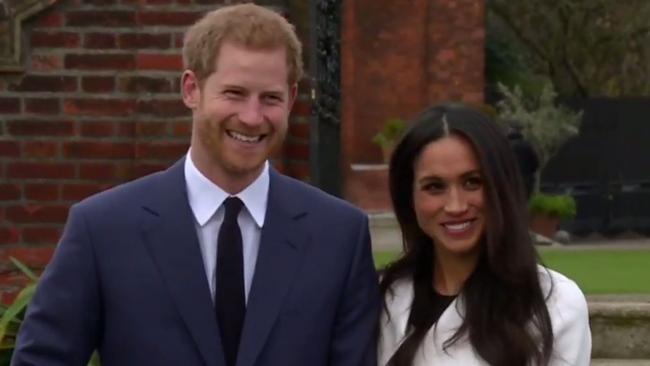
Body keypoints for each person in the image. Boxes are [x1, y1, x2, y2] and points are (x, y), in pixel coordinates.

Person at [12, 4, 379, 366]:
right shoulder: (103, 229)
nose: (252, 118)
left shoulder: (339, 236)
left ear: (292, 99)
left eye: (270, 98)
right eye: (234, 93)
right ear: (191, 89)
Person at [378, 103, 591, 366]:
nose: (456, 206)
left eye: (472, 182)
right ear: (409, 197)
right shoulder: (385, 297)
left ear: (500, 186)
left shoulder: (556, 304)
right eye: (434, 187)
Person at [507, 121, 539, 200]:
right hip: (525, 181)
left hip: (509, 181)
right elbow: (535, 164)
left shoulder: (504, 145)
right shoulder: (527, 146)